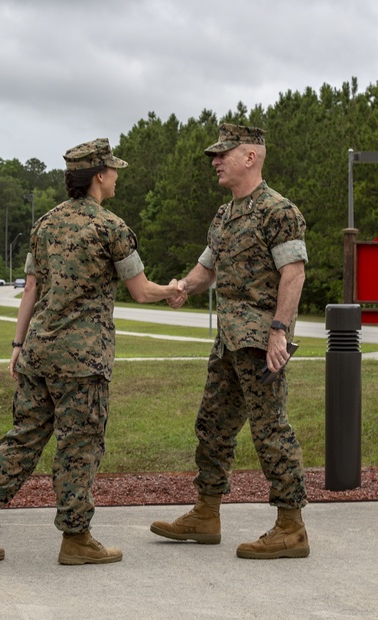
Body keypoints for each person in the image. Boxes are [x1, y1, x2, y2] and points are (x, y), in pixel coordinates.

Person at [0, 138, 182, 565]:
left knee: (24, 436)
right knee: (80, 445)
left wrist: (18, 346)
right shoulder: (111, 228)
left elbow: (31, 290)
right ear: (98, 176)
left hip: (39, 351)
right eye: (112, 170)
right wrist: (173, 290)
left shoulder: (45, 224)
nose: (116, 176)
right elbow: (141, 290)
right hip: (83, 359)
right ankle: (76, 539)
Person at [150, 123, 310, 559]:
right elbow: (208, 269)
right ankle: (206, 513)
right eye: (214, 156)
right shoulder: (224, 215)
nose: (216, 161)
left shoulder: (278, 211)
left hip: (261, 343)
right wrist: (183, 286)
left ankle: (291, 526)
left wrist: (279, 331)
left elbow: (293, 275)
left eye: (223, 154)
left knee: (270, 429)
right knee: (212, 426)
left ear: (250, 157)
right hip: (228, 342)